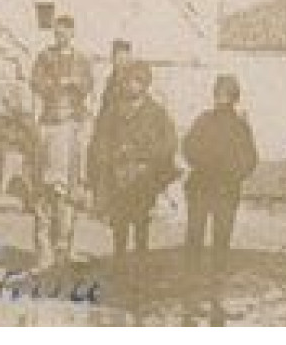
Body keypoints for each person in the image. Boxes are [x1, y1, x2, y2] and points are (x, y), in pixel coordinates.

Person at [88, 60, 178, 266]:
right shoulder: (113, 112)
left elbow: (168, 143)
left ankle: (140, 263)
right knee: (119, 222)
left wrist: (146, 155)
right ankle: (119, 261)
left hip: (143, 176)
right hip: (117, 175)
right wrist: (109, 157)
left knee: (140, 221)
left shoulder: (156, 113)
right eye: (129, 81)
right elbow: (100, 140)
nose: (132, 85)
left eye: (138, 81)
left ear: (146, 85)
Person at [27, 14, 94, 270]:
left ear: (73, 32)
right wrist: (54, 85)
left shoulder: (81, 61)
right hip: (49, 126)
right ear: (54, 32)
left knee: (67, 193)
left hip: (71, 129)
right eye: (58, 31)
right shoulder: (44, 58)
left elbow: (88, 85)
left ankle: (63, 251)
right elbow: (35, 84)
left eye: (66, 30)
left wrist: (75, 83)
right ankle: (43, 254)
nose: (62, 35)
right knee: (44, 191)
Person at [182, 73, 259, 275]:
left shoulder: (239, 126)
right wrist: (202, 164)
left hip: (224, 188)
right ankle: (194, 279)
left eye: (226, 95)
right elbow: (188, 146)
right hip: (203, 185)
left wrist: (233, 175)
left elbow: (250, 159)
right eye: (218, 94)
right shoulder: (205, 120)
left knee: (220, 239)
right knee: (195, 236)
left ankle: (215, 282)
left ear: (234, 98)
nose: (221, 99)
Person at [99, 39, 134, 116]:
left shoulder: (133, 81)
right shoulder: (109, 80)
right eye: (120, 59)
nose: (122, 64)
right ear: (112, 59)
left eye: (126, 60)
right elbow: (104, 105)